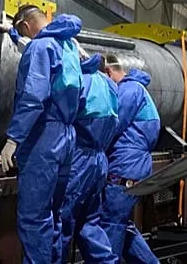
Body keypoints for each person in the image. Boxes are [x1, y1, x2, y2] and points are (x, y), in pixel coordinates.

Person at [0, 4, 83, 264]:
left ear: (24, 25)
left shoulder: (40, 47)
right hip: (67, 138)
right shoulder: (67, 45)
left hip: (43, 137)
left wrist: (13, 139)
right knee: (54, 217)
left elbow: (34, 96)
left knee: (34, 218)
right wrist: (14, 37)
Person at [59, 50, 119, 264]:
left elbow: (60, 119)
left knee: (62, 222)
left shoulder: (78, 80)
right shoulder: (109, 84)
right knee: (90, 223)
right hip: (99, 162)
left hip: (78, 161)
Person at [101, 54, 161, 263]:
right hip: (133, 167)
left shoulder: (128, 91)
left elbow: (111, 126)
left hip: (124, 168)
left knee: (112, 225)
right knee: (122, 226)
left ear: (108, 73)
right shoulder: (137, 89)